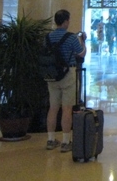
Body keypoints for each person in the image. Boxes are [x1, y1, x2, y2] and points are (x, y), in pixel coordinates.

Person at [45, 9, 86, 153]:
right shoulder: (71, 37)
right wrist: (83, 41)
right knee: (67, 108)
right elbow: (81, 53)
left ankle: (51, 140)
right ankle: (65, 141)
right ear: (66, 21)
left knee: (53, 108)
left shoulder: (48, 37)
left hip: (51, 75)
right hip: (67, 74)